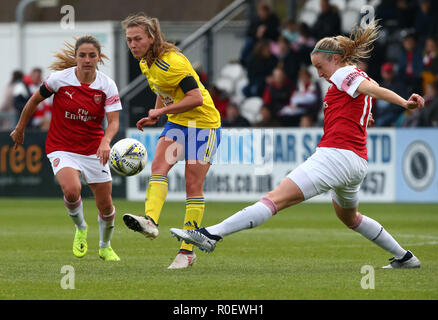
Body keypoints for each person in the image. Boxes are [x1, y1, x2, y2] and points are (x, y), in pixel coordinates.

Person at [170, 21, 424, 269]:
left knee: (273, 200)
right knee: (350, 218)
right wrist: (364, 117)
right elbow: (368, 93)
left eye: (319, 66)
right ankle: (405, 257)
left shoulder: (345, 73)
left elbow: (370, 89)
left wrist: (405, 103)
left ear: (335, 59)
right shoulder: (358, 77)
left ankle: (211, 234)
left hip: (335, 156)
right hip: (356, 162)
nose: (319, 73)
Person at [121, 13, 222, 269]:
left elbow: (196, 97)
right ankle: (150, 221)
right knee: (158, 168)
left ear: (151, 38)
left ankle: (187, 251)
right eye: (129, 40)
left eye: (137, 39)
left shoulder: (173, 62)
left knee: (192, 184)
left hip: (203, 124)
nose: (132, 44)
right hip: (178, 123)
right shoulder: (146, 62)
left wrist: (160, 112)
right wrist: (155, 114)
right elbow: (163, 90)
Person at [10, 35, 122, 261]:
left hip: (93, 149)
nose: (87, 60)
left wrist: (105, 141)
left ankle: (104, 245)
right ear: (75, 57)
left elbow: (114, 122)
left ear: (99, 58)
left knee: (106, 206)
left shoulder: (107, 85)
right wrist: (20, 127)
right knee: (71, 190)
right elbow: (33, 101)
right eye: (82, 55)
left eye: (92, 55)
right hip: (62, 147)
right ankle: (81, 229)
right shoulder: (59, 79)